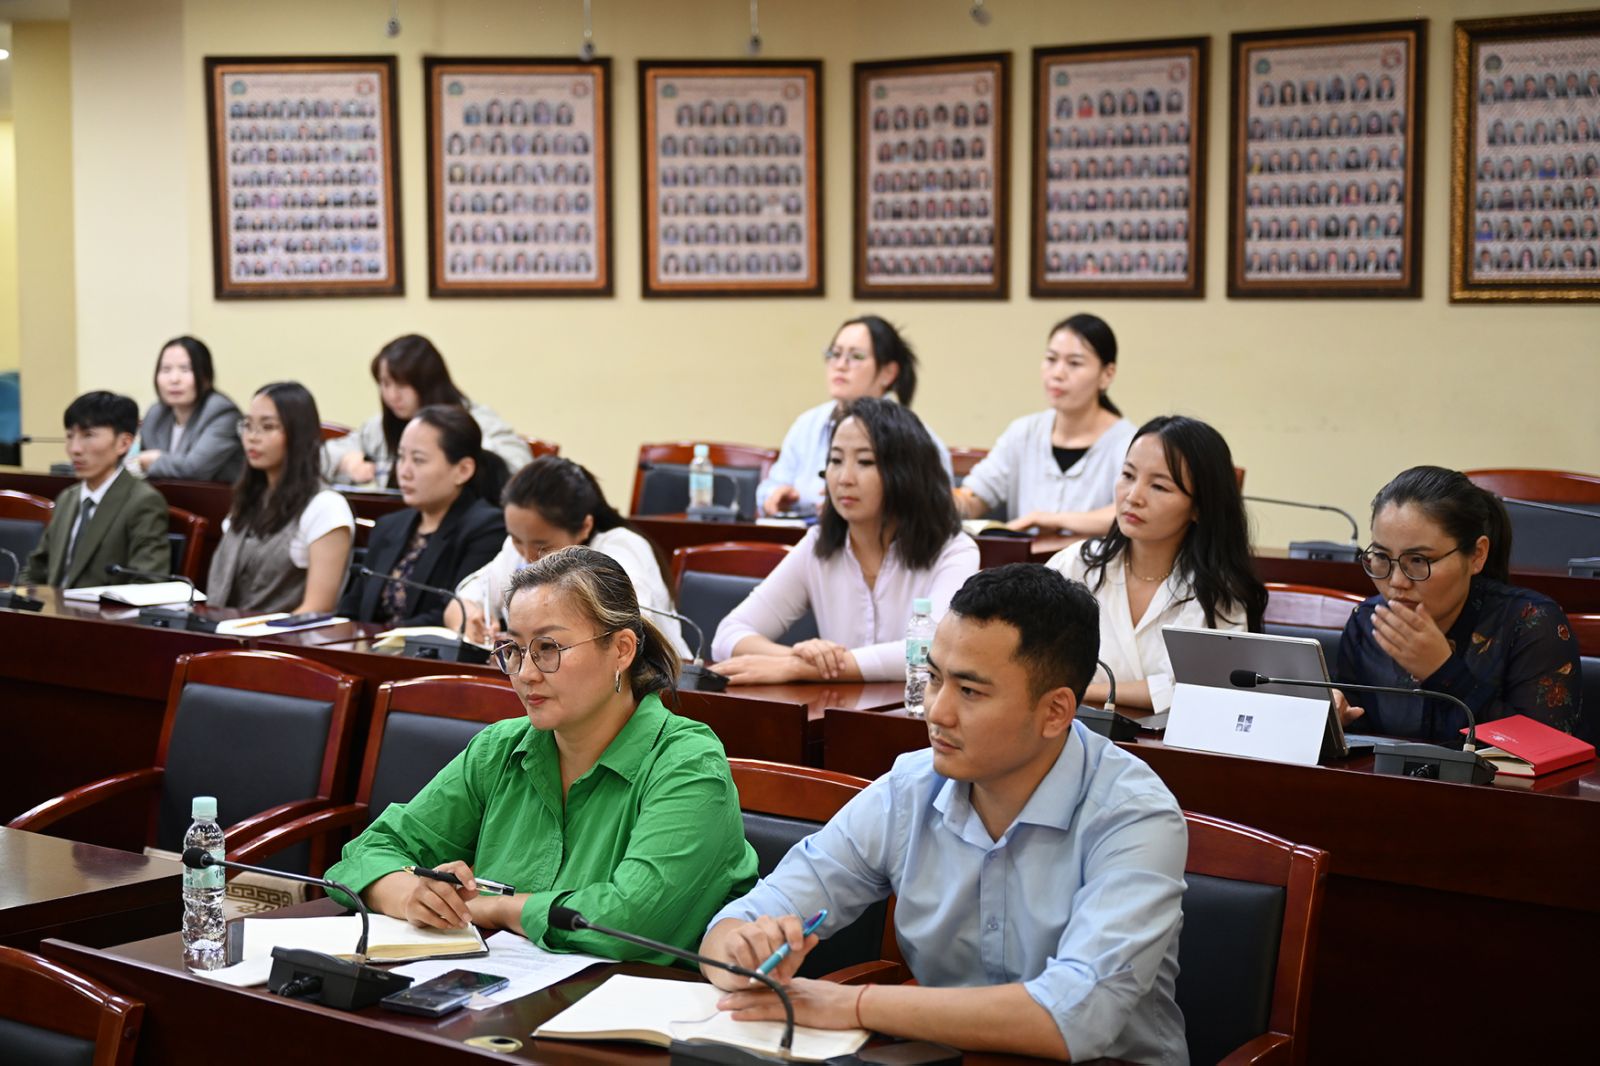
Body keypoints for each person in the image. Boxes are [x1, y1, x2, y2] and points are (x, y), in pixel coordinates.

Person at [700, 565, 1188, 1062]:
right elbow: (738, 923)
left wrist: (854, 1004)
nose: (936, 711)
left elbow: (1075, 1015)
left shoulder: (1134, 816)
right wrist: (741, 950)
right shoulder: (909, 789)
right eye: (934, 678)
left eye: (970, 691)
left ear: (1056, 712)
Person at [323, 547, 759, 962]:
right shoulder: (500, 748)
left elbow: (630, 918)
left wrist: (496, 908)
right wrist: (411, 895)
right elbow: (364, 853)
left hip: (633, 1001)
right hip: (502, 989)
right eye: (514, 650)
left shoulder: (687, 762)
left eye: (549, 648)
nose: (526, 673)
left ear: (622, 649)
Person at [713, 399, 978, 684]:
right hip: (837, 709)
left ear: (907, 473)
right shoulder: (818, 545)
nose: (844, 478)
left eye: (865, 462)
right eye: (836, 461)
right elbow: (728, 634)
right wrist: (796, 659)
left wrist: (807, 669)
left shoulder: (954, 551)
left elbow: (932, 648)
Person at [1336, 467, 1584, 743]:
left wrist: (1444, 672)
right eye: (1382, 557)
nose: (1396, 582)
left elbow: (1546, 749)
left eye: (1418, 560)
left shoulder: (1531, 624)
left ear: (1477, 555)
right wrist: (1335, 716)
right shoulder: (1367, 622)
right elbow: (1360, 738)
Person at [1047, 416, 1265, 713]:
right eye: (1128, 475)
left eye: (1159, 487)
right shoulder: (1076, 564)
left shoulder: (1218, 592)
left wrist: (1084, 692)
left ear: (1199, 507)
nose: (1133, 496)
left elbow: (1201, 689)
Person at [447, 456, 689, 656]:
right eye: (516, 539)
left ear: (584, 527)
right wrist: (470, 617)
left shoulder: (621, 548)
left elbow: (633, 630)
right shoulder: (519, 548)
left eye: (542, 545)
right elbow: (463, 601)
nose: (528, 555)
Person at [956, 314, 1136, 534]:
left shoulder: (1129, 443)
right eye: (1051, 359)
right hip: (1024, 558)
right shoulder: (1023, 432)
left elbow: (1135, 512)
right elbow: (975, 496)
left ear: (1107, 375)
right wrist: (944, 499)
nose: (1057, 373)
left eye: (1074, 363)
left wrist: (1051, 520)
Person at [757, 316, 953, 516]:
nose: (840, 365)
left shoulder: (915, 435)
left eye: (856, 356)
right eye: (835, 354)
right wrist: (776, 495)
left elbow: (935, 509)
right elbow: (768, 489)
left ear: (888, 372)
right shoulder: (807, 424)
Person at [336, 406, 508, 627]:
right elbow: (352, 606)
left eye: (418, 460)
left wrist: (377, 638)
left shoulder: (487, 528)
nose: (404, 471)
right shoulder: (389, 526)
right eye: (401, 457)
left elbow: (455, 613)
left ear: (463, 470)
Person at [206, 382, 354, 613]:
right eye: (248, 425)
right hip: (223, 627)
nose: (252, 437)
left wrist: (259, 630)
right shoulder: (249, 498)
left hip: (282, 634)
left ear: (298, 434)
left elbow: (318, 608)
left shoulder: (326, 506)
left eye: (267, 427)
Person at [321, 334, 532, 487]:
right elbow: (319, 458)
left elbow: (520, 471)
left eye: (402, 385)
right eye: (385, 384)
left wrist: (464, 450)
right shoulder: (379, 427)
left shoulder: (478, 421)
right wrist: (347, 462)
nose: (392, 395)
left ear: (428, 383)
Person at [20, 392, 170, 588]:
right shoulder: (67, 498)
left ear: (124, 443)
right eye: (70, 436)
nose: (75, 449)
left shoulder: (143, 501)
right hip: (52, 605)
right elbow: (36, 569)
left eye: (88, 435)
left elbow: (148, 583)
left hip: (100, 608)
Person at [134, 336, 245, 482]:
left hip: (215, 496)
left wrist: (154, 459)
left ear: (205, 376)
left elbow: (194, 469)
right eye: (166, 370)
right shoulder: (156, 413)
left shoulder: (222, 413)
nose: (174, 379)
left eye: (185, 369)